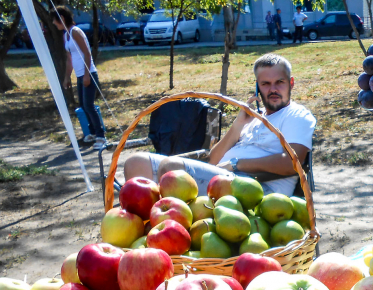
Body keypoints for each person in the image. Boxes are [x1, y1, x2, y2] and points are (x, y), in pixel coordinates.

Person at [123, 54, 316, 198]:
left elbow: (294, 163)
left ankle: (170, 235)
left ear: (291, 83)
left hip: (258, 190)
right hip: (226, 179)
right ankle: (150, 228)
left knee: (172, 168)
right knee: (136, 162)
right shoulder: (254, 118)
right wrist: (239, 124)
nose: (273, 89)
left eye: (279, 82)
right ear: (257, 87)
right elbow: (213, 160)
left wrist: (237, 164)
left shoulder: (296, 114)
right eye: (265, 84)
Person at [51, 6, 106, 150]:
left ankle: (101, 136)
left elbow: (87, 54)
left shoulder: (76, 32)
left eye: (54, 20)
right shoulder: (66, 35)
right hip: (79, 75)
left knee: (89, 105)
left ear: (61, 18)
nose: (53, 23)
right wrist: (67, 77)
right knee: (83, 105)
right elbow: (70, 60)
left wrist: (87, 75)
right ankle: (92, 133)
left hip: (89, 73)